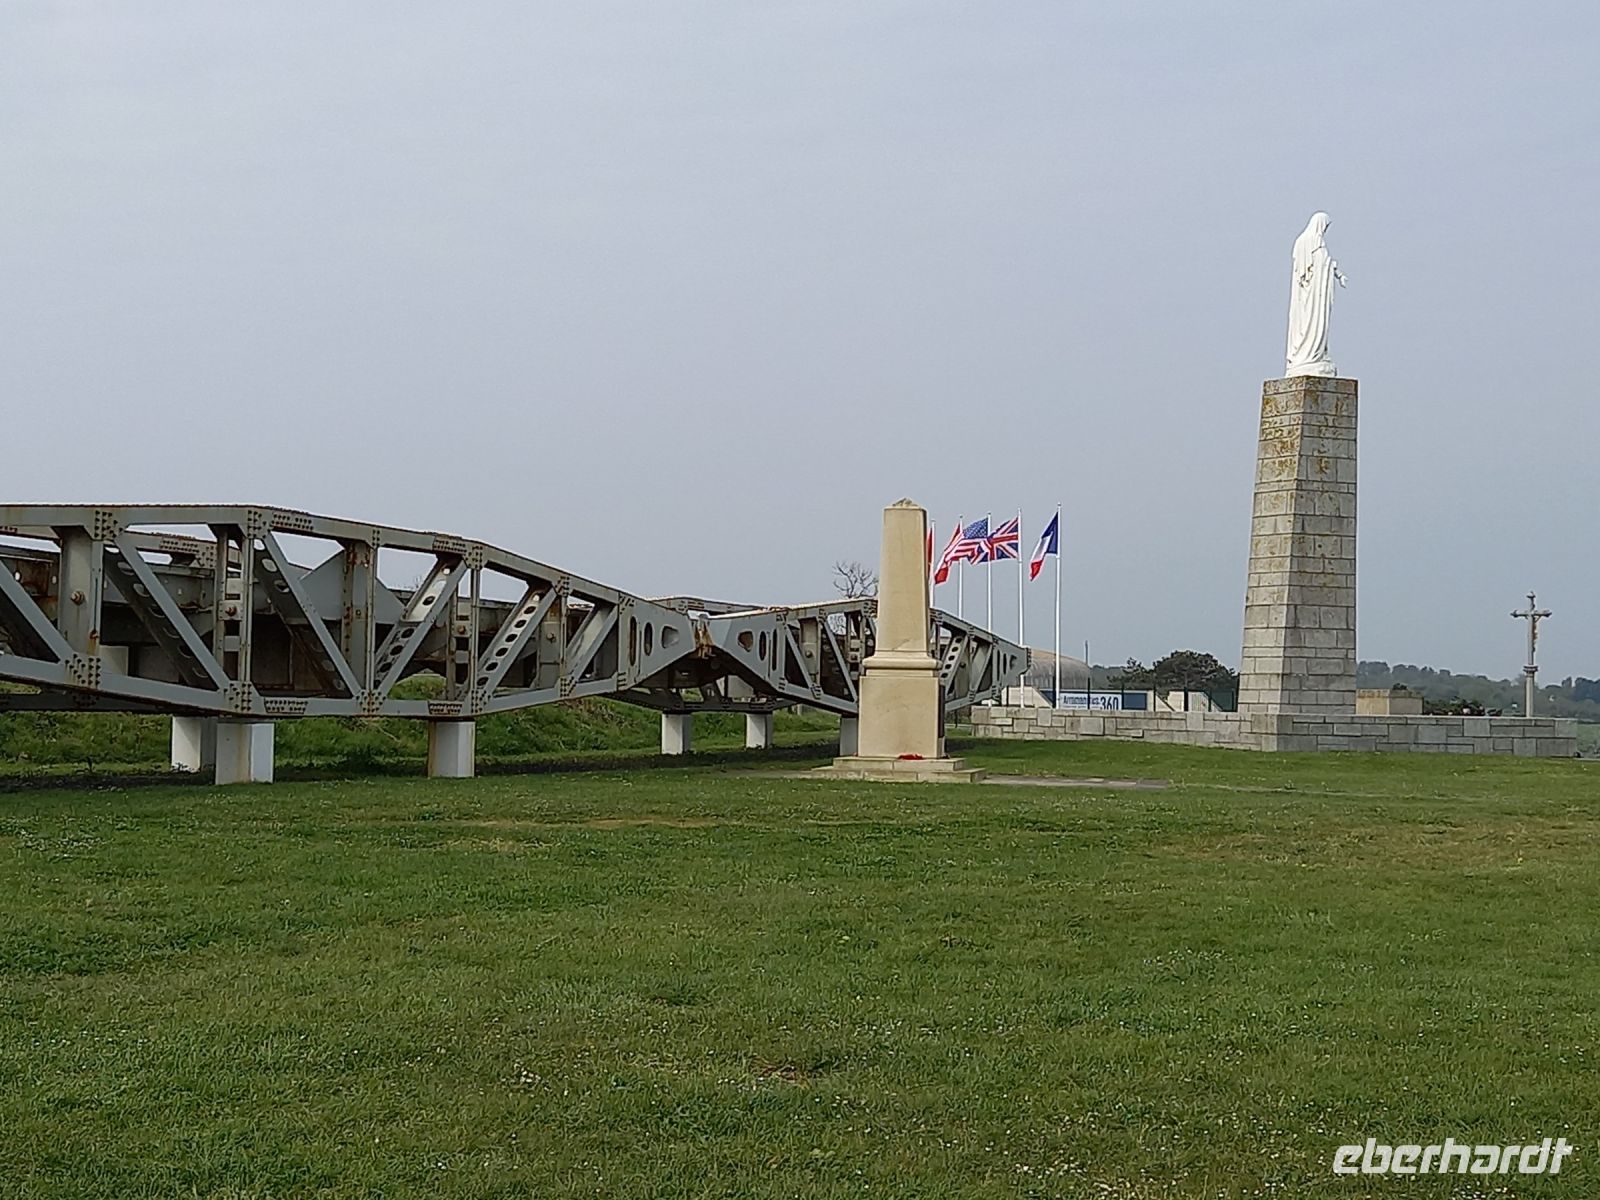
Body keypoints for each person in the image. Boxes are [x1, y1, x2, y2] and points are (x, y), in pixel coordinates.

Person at [1285, 212, 1348, 376]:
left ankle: (1306, 355)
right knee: (1314, 322)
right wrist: (1338, 273)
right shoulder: (1315, 241)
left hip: (1306, 294)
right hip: (1314, 295)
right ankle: (1311, 356)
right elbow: (1323, 262)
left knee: (1304, 324)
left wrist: (1338, 273)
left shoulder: (1300, 242)